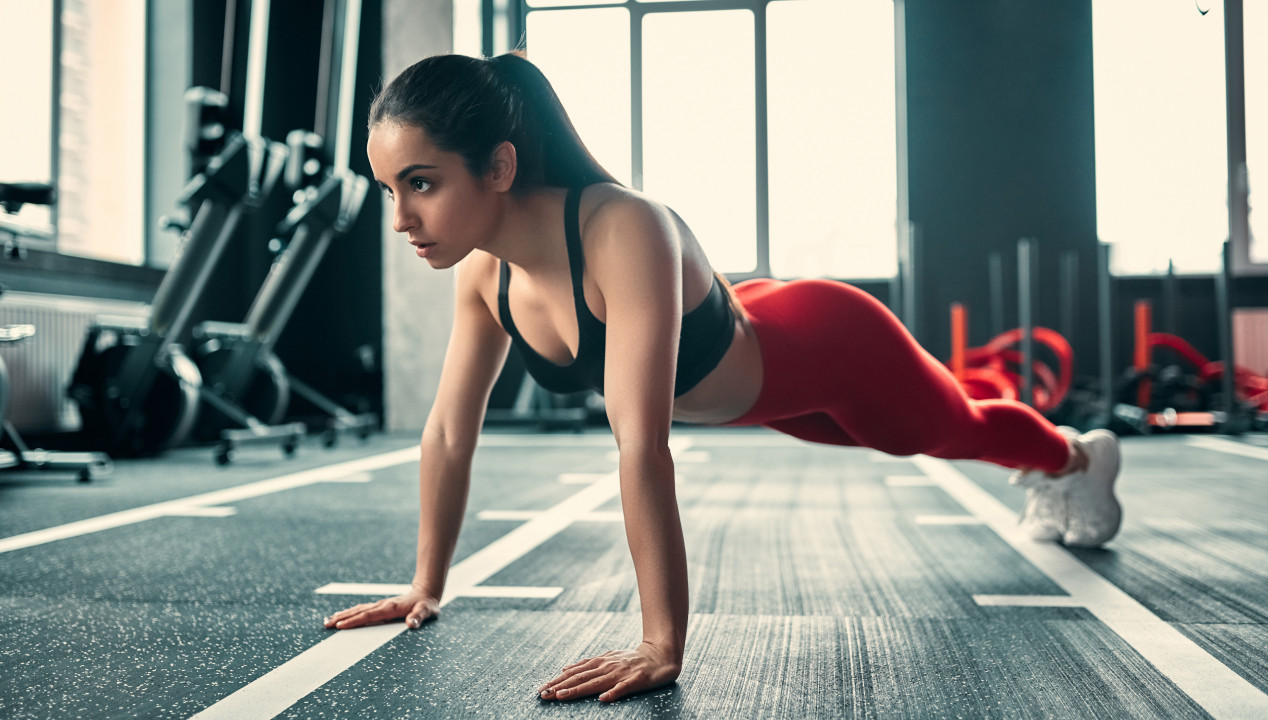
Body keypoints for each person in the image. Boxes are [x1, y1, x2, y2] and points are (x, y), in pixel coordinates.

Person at [322, 51, 1123, 704]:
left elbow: (642, 446)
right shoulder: (483, 276)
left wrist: (661, 644)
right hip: (747, 396)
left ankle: (1076, 460)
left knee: (950, 431)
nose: (401, 220)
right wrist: (424, 586)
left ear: (498, 165)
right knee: (917, 430)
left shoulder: (621, 227)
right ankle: (1062, 459)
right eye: (390, 190)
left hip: (822, 345)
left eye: (421, 184)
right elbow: (449, 432)